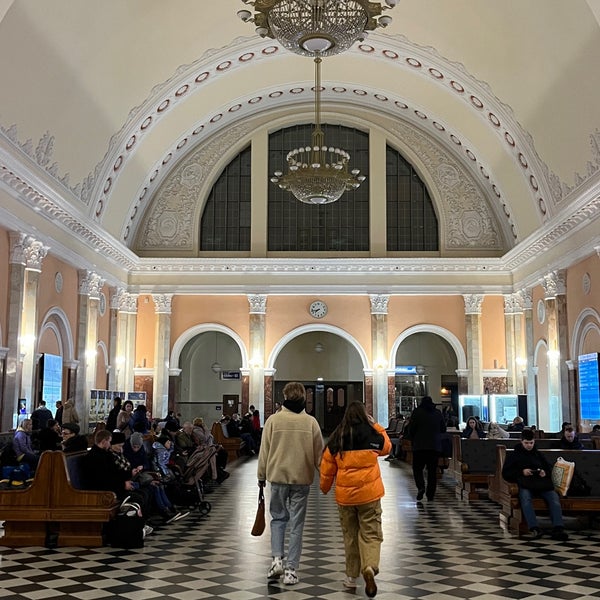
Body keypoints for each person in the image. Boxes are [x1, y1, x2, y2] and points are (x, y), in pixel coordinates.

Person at [320, 401, 391, 597]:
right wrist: (375, 424)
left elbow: (327, 467)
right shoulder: (371, 435)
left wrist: (324, 488)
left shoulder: (337, 438)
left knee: (350, 536)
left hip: (346, 498)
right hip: (370, 495)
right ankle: (368, 567)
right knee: (371, 533)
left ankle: (351, 578)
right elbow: (387, 448)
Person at [257, 382, 324, 586]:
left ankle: (277, 559)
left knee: (278, 519)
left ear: (285, 396)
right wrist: (328, 478)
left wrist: (261, 476)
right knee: (297, 524)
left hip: (277, 477)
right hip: (301, 479)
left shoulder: (273, 421)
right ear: (304, 397)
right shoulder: (310, 422)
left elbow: (264, 451)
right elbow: (319, 454)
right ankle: (291, 570)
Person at [502, 428, 568, 540]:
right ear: (521, 441)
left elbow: (549, 468)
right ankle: (534, 528)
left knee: (554, 498)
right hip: (525, 484)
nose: (529, 445)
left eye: (531, 443)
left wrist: (543, 472)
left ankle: (558, 527)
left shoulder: (538, 454)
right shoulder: (514, 455)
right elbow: (506, 473)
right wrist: (522, 472)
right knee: (526, 499)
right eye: (526, 443)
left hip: (541, 484)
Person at [406, 396, 446, 502]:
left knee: (417, 469)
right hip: (434, 447)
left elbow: (411, 429)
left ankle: (421, 487)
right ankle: (430, 494)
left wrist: (413, 439)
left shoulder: (417, 412)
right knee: (432, 472)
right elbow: (443, 429)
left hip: (419, 446)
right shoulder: (438, 413)